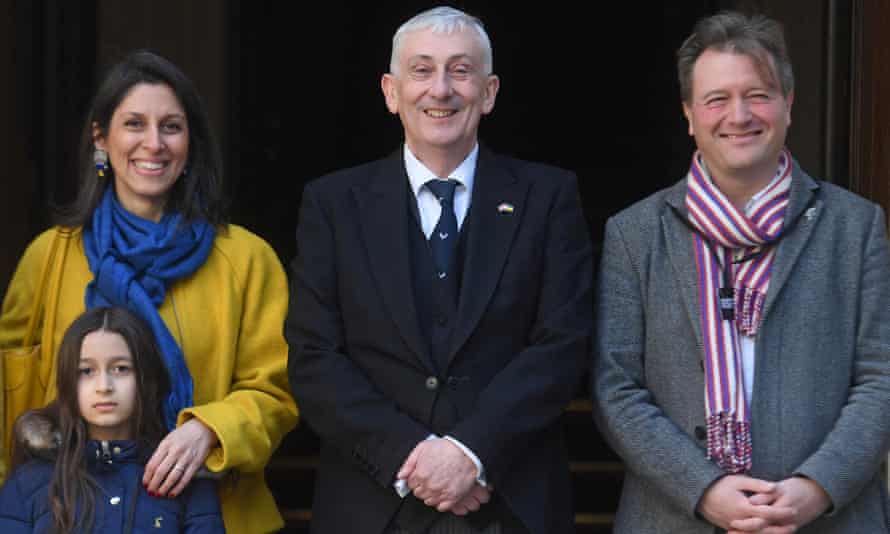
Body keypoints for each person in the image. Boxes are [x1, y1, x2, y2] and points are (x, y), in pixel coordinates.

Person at [286, 6, 593, 534]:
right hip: (372, 506)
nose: (441, 89)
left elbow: (562, 345)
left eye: (460, 70)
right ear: (390, 90)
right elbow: (314, 358)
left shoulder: (549, 197)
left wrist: (471, 453)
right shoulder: (333, 205)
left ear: (489, 91)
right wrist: (415, 457)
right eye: (422, 70)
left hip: (511, 505)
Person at [593, 10, 890, 534]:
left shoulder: (857, 226)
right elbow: (616, 388)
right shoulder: (634, 235)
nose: (739, 115)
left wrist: (817, 487)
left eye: (758, 94)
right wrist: (702, 489)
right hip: (672, 518)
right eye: (716, 99)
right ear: (688, 114)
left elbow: (880, 377)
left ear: (788, 104)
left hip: (826, 521)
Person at [0, 50, 297, 533]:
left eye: (172, 127)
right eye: (134, 124)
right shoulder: (48, 258)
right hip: (66, 517)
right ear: (102, 137)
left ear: (191, 143)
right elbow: (9, 400)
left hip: (215, 514)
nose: (153, 144)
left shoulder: (247, 260)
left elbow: (277, 392)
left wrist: (210, 430)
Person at [0, 307, 224, 533]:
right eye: (86, 371)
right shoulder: (27, 483)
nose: (104, 387)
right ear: (68, 381)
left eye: (121, 369)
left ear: (145, 379)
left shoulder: (181, 478)